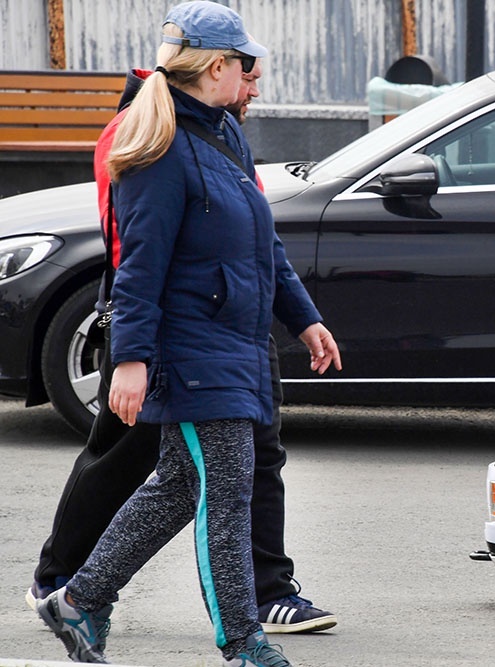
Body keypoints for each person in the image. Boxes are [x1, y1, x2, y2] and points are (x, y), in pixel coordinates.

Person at [35, 3, 337, 664]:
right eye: (244, 66)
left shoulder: (225, 135)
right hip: (191, 352)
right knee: (224, 501)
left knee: (176, 488)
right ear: (214, 67)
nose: (253, 78)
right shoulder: (158, 147)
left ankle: (79, 601)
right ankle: (244, 642)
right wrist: (132, 360)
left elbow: (263, 249)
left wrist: (305, 317)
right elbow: (138, 264)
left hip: (234, 345)